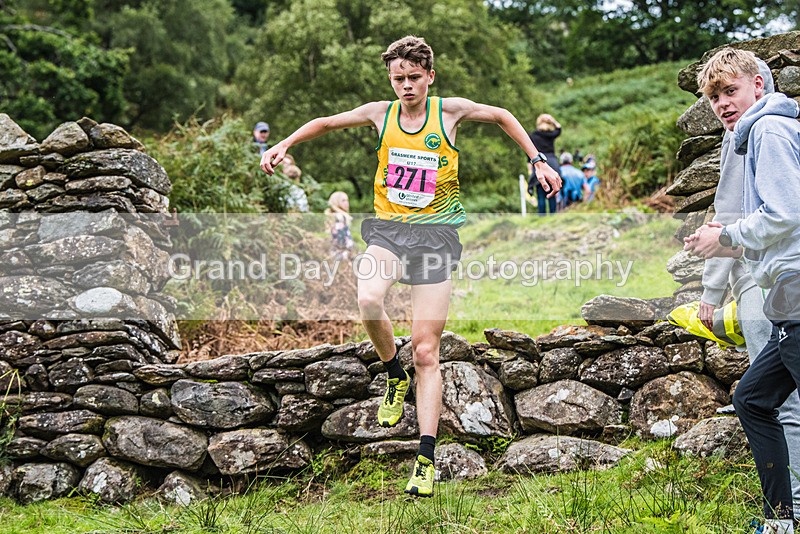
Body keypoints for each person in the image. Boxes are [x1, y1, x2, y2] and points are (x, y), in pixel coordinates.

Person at [260, 35, 561, 498]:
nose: (406, 86)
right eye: (398, 78)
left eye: (414, 77)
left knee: (425, 352)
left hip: (436, 239)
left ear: (430, 76)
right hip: (389, 233)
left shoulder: (449, 112)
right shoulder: (380, 114)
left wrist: (537, 159)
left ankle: (425, 458)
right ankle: (392, 374)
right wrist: (285, 142)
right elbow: (326, 122)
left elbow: (502, 115)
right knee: (367, 297)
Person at [684, 47, 800, 534]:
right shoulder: (750, 134)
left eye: (730, 91)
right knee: (753, 399)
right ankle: (782, 520)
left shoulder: (768, 130)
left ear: (759, 84)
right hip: (784, 292)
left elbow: (785, 213)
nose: (722, 104)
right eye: (714, 97)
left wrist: (726, 238)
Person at [527, 113, 562, 215]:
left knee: (540, 193)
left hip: (539, 162)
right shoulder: (550, 135)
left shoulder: (533, 136)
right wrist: (552, 121)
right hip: (552, 164)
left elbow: (528, 153)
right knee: (552, 191)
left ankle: (541, 217)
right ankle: (553, 216)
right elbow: (559, 129)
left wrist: (530, 168)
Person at [326, 191, 354, 260]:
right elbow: (343, 239)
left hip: (334, 255)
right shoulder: (340, 217)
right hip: (340, 255)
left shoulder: (331, 216)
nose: (346, 203)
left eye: (347, 200)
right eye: (343, 200)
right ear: (336, 202)